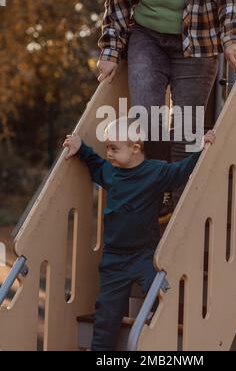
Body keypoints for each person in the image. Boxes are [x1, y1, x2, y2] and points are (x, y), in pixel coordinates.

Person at [96, 0, 236, 214]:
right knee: (147, 119)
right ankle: (156, 198)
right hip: (146, 35)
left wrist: (231, 37)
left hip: (197, 40)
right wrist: (111, 49)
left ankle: (179, 215)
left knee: (186, 132)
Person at [62, 117, 216, 351]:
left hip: (144, 254)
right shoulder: (111, 173)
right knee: (106, 316)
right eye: (108, 148)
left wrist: (201, 148)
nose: (109, 154)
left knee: (162, 289)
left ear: (135, 149)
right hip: (114, 259)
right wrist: (80, 147)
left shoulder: (155, 172)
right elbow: (94, 163)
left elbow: (181, 171)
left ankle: (153, 325)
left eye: (114, 148)